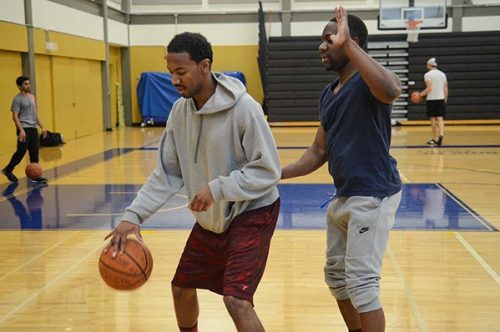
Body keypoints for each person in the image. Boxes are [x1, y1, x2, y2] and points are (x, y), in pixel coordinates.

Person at [104, 32, 281, 332]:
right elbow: (168, 172)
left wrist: (217, 188)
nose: (174, 80)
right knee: (181, 288)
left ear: (204, 66)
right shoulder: (179, 113)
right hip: (212, 219)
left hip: (253, 212)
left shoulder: (245, 109)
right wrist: (133, 216)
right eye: (171, 72)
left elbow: (267, 170)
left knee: (236, 301)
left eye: (181, 72)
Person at [281, 7, 402, 332]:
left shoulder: (368, 82)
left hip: (373, 195)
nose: (322, 46)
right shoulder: (328, 93)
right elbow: (318, 150)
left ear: (354, 43)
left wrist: (349, 46)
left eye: (329, 39)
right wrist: (277, 173)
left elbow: (391, 90)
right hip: (343, 196)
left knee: (362, 284)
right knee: (336, 277)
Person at [2, 76, 48, 183]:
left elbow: (35, 113)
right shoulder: (17, 99)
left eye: (29, 83)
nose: (28, 85)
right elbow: (15, 116)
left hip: (33, 128)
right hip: (24, 128)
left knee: (34, 151)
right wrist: (21, 130)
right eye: (26, 84)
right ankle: (7, 170)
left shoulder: (32, 97)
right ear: (19, 86)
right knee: (21, 151)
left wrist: (42, 127)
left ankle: (35, 176)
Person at [418, 57, 448, 147]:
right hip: (441, 98)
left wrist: (420, 94)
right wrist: (445, 99)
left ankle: (435, 138)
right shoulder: (442, 74)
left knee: (433, 119)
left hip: (431, 99)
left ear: (429, 65)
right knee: (440, 118)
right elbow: (445, 88)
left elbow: (429, 88)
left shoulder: (428, 75)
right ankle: (441, 134)